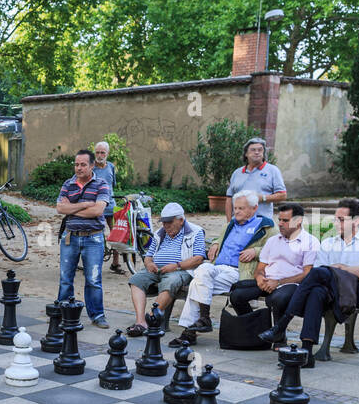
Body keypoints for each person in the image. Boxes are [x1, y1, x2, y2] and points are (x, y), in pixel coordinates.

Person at [258, 197, 359, 365]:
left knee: (321, 275)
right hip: (328, 290)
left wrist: (340, 268)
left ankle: (281, 326)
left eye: (341, 219)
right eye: (335, 218)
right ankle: (307, 353)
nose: (335, 223)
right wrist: (350, 269)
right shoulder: (328, 242)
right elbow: (318, 274)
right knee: (316, 292)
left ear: (356, 221)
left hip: (355, 292)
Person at [171, 190, 271, 346]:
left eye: (241, 208)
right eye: (235, 208)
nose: (236, 211)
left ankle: (189, 332)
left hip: (239, 272)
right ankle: (204, 319)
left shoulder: (266, 226)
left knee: (196, 284)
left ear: (254, 208)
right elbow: (220, 238)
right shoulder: (231, 223)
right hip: (216, 268)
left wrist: (255, 251)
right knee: (202, 272)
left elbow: (278, 249)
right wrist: (216, 243)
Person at [228, 201, 320, 340]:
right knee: (237, 296)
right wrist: (259, 278)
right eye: (280, 220)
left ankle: (279, 337)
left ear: (298, 221)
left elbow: (307, 273)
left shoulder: (310, 242)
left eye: (285, 220)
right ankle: (256, 331)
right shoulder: (273, 240)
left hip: (292, 284)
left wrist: (278, 282)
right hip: (267, 281)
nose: (280, 224)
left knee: (277, 299)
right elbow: (261, 267)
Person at [124, 202, 206, 336]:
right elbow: (148, 256)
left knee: (170, 282)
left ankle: (150, 319)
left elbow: (198, 258)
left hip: (180, 271)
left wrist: (177, 265)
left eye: (169, 222)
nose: (166, 225)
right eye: (164, 222)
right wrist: (149, 263)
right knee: (136, 280)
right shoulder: (160, 233)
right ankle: (140, 322)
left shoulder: (195, 232)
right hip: (158, 270)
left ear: (181, 220)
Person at [56, 149, 111, 328]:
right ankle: (63, 313)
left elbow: (98, 211)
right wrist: (86, 204)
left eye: (83, 165)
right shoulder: (68, 183)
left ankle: (97, 315)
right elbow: (60, 209)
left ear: (92, 165)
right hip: (70, 237)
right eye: (76, 164)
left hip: (93, 238)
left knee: (93, 279)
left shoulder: (102, 184)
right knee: (65, 277)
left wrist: (73, 207)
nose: (78, 168)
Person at [225, 137, 286, 221]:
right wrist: (229, 222)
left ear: (263, 153)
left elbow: (282, 195)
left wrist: (263, 198)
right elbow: (229, 199)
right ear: (246, 153)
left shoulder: (273, 170)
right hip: (238, 222)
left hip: (261, 223)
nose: (257, 152)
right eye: (253, 150)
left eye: (260, 150)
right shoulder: (237, 173)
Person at [92, 141, 122, 274]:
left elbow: (112, 185)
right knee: (97, 234)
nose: (99, 155)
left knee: (116, 233)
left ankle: (116, 263)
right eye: (97, 152)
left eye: (102, 152)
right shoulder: (91, 168)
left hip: (110, 206)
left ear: (107, 154)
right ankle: (94, 263)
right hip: (96, 207)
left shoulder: (110, 167)